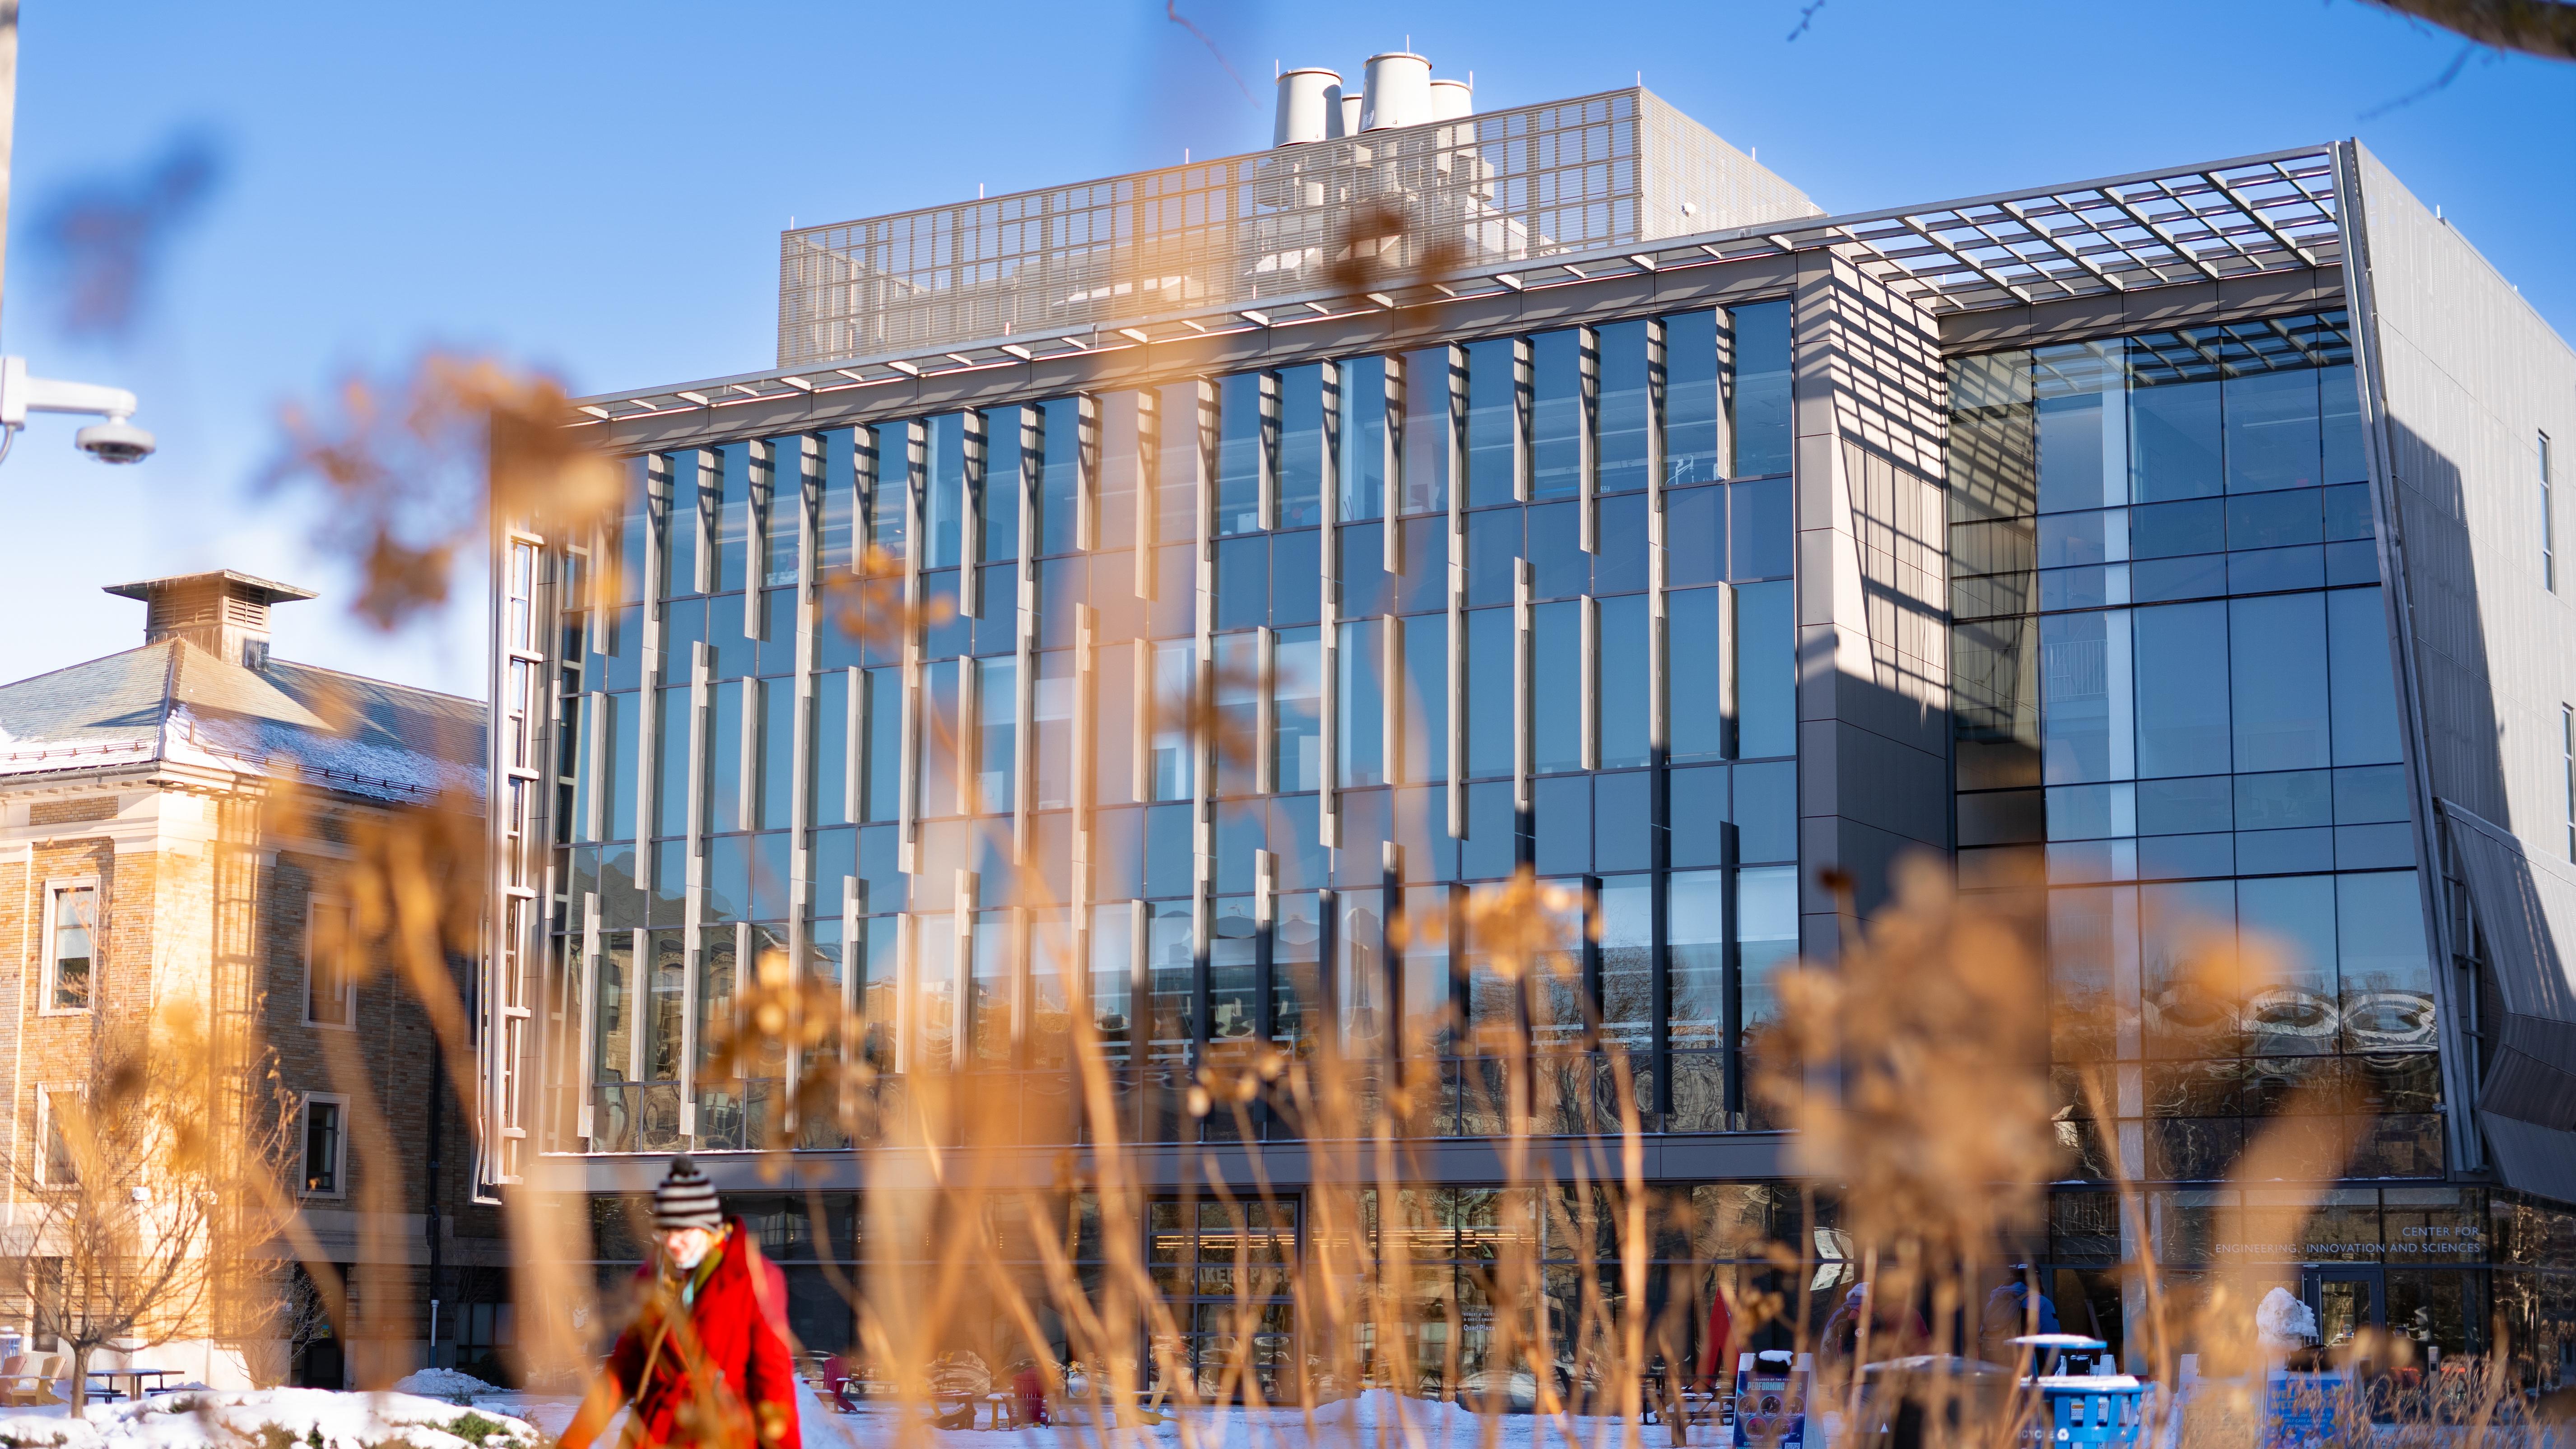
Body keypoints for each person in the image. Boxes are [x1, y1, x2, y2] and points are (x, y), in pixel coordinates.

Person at [559, 1155, 801, 1449]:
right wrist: (571, 1443)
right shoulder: (651, 1277)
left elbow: (773, 1380)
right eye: (665, 1232)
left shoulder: (755, 1278)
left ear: (710, 1230)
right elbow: (623, 1370)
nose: (673, 1242)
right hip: (655, 1434)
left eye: (684, 1231)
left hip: (723, 1434)